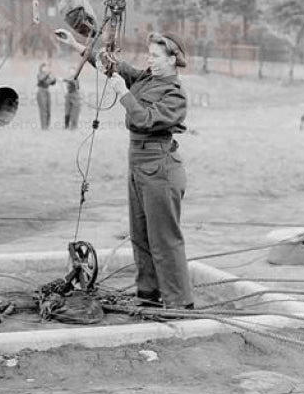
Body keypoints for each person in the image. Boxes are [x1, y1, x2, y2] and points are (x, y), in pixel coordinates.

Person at [58, 29, 194, 310]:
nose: (151, 60)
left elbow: (145, 119)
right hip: (139, 162)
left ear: (172, 59)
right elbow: (114, 66)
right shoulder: (147, 78)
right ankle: (148, 295)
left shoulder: (174, 93)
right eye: (149, 55)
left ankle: (180, 304)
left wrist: (123, 94)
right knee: (141, 234)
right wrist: (77, 45)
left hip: (160, 167)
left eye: (156, 56)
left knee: (164, 239)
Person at [35, 62, 56, 129]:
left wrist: (53, 77)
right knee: (43, 110)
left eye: (46, 67)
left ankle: (47, 125)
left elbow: (52, 83)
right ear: (41, 68)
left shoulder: (47, 75)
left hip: (47, 92)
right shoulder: (39, 74)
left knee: (48, 110)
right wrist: (48, 73)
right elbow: (41, 79)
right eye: (43, 67)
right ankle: (44, 127)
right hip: (41, 92)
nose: (45, 68)